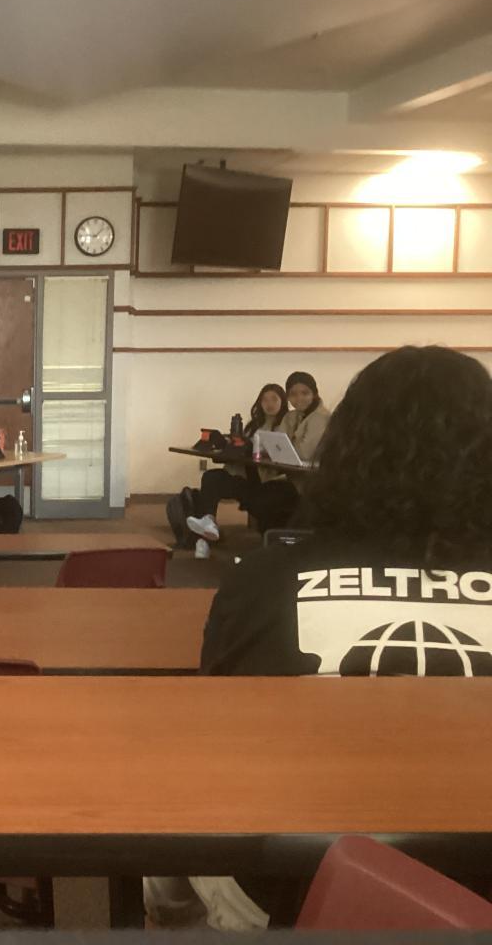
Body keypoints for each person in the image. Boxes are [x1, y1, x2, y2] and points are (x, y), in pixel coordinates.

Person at [148, 346, 492, 931]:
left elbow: (217, 734)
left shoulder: (262, 578)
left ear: (347, 449)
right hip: (479, 897)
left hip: (291, 893)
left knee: (171, 774)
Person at [184, 383, 296, 555]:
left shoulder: (286, 425)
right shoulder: (253, 425)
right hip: (244, 475)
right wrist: (227, 444)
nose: (269, 404)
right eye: (265, 400)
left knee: (261, 498)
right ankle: (208, 523)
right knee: (211, 478)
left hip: (266, 479)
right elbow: (241, 448)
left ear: (282, 401)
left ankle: (205, 537)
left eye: (274, 399)